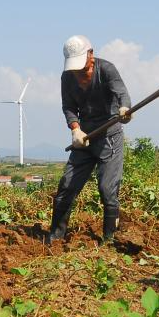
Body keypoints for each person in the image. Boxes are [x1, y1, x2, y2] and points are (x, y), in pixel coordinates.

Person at [46, 35, 132, 244]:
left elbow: (122, 94)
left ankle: (109, 239)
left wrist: (124, 109)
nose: (76, 70)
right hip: (84, 138)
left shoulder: (106, 70)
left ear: (90, 54)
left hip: (109, 137)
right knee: (67, 184)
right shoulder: (67, 77)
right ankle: (55, 236)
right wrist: (75, 129)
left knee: (106, 188)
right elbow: (68, 106)